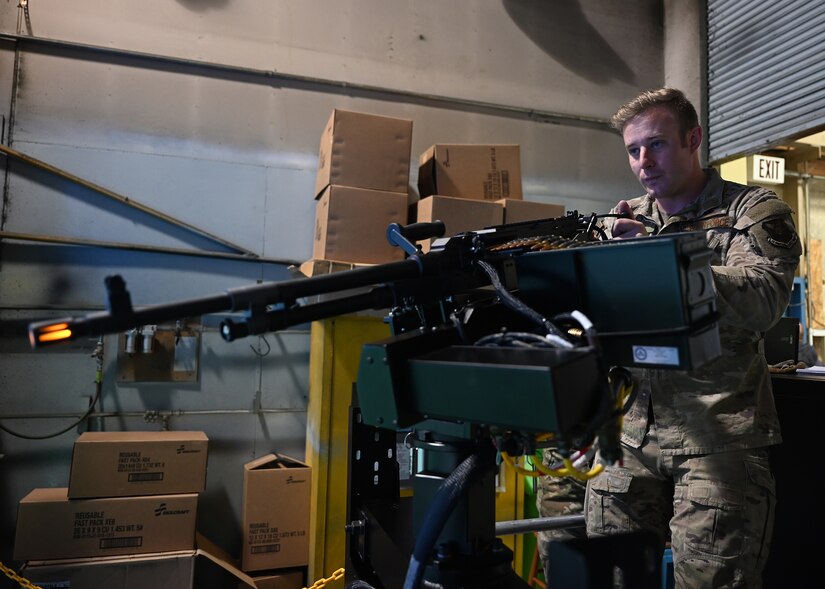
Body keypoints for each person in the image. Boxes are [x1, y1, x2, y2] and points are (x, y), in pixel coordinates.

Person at [585, 88, 801, 588]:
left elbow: (764, 301)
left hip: (717, 435)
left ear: (693, 139)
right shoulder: (624, 220)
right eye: (633, 150)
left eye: (656, 145)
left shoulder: (753, 209)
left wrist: (665, 258)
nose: (643, 162)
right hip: (630, 434)